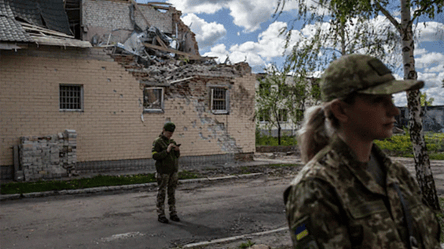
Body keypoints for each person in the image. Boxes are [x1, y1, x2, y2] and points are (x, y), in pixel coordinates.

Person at [284, 54, 441, 248]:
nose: (394, 111)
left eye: (390, 99)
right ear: (341, 110)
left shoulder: (397, 174)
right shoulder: (315, 188)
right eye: (377, 101)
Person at [152, 121, 181, 223]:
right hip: (163, 172)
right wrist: (167, 151)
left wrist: (177, 150)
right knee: (162, 193)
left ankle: (173, 212)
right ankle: (161, 214)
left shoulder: (171, 141)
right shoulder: (158, 142)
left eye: (171, 133)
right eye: (168, 133)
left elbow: (176, 157)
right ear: (163, 130)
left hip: (172, 171)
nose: (170, 135)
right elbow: (155, 156)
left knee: (171, 193)